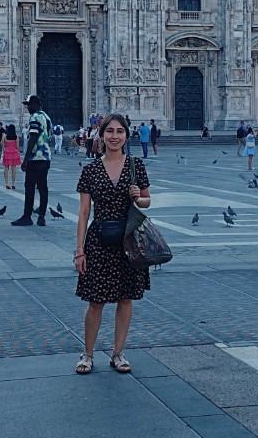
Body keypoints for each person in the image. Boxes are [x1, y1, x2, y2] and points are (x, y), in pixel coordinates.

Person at [74, 113, 151, 375]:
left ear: (127, 136)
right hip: (99, 240)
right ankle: (87, 353)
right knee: (96, 300)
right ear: (101, 134)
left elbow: (146, 202)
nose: (114, 136)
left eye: (119, 131)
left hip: (128, 239)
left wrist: (138, 197)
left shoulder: (136, 166)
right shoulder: (91, 170)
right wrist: (79, 250)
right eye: (110, 131)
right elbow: (84, 212)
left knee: (125, 298)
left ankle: (118, 353)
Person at [12, 95, 52, 227]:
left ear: (35, 105)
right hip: (46, 157)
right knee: (43, 187)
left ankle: (27, 216)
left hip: (36, 158)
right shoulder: (46, 117)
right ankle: (41, 217)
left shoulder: (34, 117)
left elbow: (33, 137)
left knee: (29, 187)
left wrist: (26, 158)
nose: (27, 108)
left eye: (29, 105)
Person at [2, 123, 22, 189]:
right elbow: (18, 147)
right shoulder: (16, 136)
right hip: (14, 153)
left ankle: (6, 183)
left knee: (6, 169)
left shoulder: (5, 136)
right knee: (14, 169)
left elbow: (3, 146)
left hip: (7, 152)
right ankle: (13, 183)